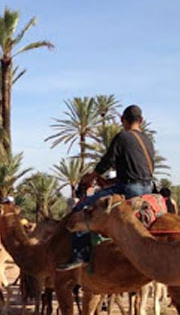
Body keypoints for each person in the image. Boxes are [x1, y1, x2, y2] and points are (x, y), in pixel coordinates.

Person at [58, 105, 156, 271]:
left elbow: (107, 161)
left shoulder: (122, 136)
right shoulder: (148, 141)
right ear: (141, 120)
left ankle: (81, 255)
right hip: (149, 188)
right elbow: (138, 169)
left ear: (122, 120)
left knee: (82, 207)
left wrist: (91, 177)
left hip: (129, 188)